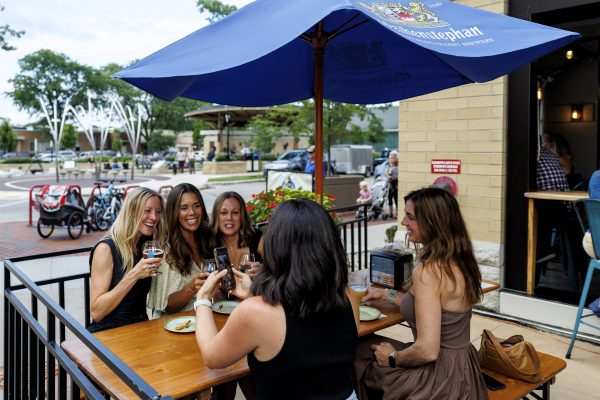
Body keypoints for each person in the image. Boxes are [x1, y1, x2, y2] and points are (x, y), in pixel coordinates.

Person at [195, 199, 360, 400]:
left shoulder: (254, 313)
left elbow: (212, 357)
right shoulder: (348, 296)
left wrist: (203, 299)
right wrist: (254, 296)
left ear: (277, 245)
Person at [354, 187, 487, 400]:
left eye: (411, 217)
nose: (404, 222)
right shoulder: (462, 261)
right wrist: (385, 294)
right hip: (464, 368)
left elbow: (427, 350)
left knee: (359, 352)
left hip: (439, 379)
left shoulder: (428, 271)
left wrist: (392, 358)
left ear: (433, 223)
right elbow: (430, 306)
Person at [88, 187, 166, 333]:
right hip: (108, 334)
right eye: (147, 211)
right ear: (131, 211)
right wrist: (134, 274)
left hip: (140, 329)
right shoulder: (105, 249)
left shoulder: (145, 244)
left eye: (158, 212)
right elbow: (97, 312)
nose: (154, 217)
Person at [148, 183, 212, 316]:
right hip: (174, 327)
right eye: (184, 208)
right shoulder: (165, 249)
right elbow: (167, 307)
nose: (192, 213)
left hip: (205, 320)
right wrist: (192, 287)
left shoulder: (208, 240)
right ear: (174, 212)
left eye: (196, 206)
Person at [211, 191, 263, 278]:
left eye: (235, 212)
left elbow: (277, 268)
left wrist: (262, 269)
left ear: (242, 216)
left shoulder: (256, 237)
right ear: (216, 216)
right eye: (223, 213)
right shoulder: (208, 242)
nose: (229, 218)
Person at [386, 152, 398, 217]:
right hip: (390, 184)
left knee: (396, 199)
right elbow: (386, 172)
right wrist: (388, 175)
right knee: (389, 198)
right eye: (391, 156)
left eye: (393, 156)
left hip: (396, 184)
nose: (391, 157)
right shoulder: (390, 165)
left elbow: (400, 175)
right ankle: (390, 213)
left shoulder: (398, 164)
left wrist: (394, 177)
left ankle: (397, 213)